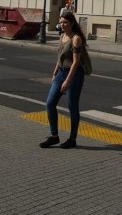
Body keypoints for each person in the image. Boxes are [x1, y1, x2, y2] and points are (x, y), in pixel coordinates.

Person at [40, 11, 91, 149]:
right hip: (61, 73)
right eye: (61, 22)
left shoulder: (76, 38)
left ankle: (72, 139)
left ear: (72, 23)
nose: (62, 25)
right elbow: (60, 56)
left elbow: (75, 62)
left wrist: (68, 80)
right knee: (50, 103)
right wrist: (55, 72)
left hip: (73, 75)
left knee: (72, 107)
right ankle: (54, 136)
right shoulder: (62, 36)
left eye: (65, 22)